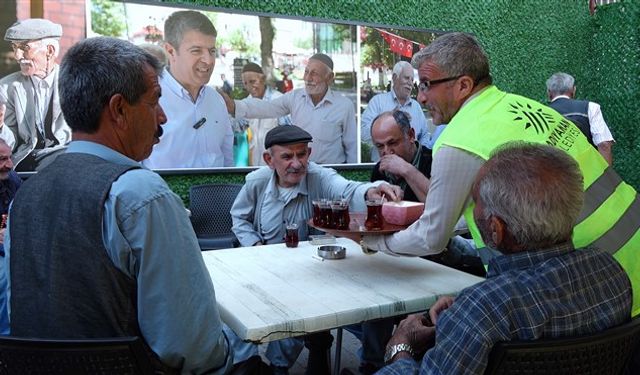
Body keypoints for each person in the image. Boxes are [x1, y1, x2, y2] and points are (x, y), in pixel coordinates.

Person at [361, 32, 640, 317]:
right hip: (621, 266)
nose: (420, 97)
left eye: (427, 85)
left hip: (600, 287)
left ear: (463, 85)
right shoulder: (523, 105)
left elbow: (432, 238)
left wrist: (372, 242)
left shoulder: (459, 138)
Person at [0, 37, 234, 373]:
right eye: (155, 102)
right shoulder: (140, 195)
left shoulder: (26, 198)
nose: (164, 117)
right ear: (119, 110)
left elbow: (15, 314)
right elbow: (193, 349)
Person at [377, 142, 632, 374]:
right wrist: (458, 321)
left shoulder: (483, 309)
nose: (471, 210)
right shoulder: (610, 271)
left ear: (496, 229)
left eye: (475, 201)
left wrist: (401, 346)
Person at [230, 125, 402, 374]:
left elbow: (347, 188)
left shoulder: (319, 177)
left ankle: (369, 365)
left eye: (302, 155)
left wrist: (371, 190)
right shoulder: (256, 183)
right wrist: (255, 247)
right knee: (238, 308)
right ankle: (248, 364)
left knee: (380, 294)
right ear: (269, 159)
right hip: (268, 270)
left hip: (315, 274)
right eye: (287, 157)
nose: (297, 163)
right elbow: (239, 218)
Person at [224, 54, 357, 164]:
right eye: (306, 72)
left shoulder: (344, 106)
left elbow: (352, 148)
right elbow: (267, 107)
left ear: (329, 78)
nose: (308, 78)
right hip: (300, 173)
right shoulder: (295, 97)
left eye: (314, 73)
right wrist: (234, 106)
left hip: (331, 176)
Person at [143, 10, 234, 169]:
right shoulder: (145, 98)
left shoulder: (216, 100)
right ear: (171, 51)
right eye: (196, 50)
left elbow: (227, 160)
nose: (208, 60)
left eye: (212, 51)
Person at [0, 18, 71, 171]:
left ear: (50, 51)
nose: (17, 56)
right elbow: (9, 145)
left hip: (66, 158)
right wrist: (0, 127)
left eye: (25, 47)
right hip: (25, 162)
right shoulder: (7, 87)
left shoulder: (75, 81)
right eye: (14, 47)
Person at [361, 61, 429, 161]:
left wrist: (421, 157)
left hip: (413, 169)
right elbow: (363, 133)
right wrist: (387, 120)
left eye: (412, 79)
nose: (410, 83)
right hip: (383, 168)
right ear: (394, 78)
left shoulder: (416, 107)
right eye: (406, 78)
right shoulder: (378, 102)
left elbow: (425, 136)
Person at [546, 72, 615, 165]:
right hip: (588, 174)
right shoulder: (590, 107)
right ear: (573, 90)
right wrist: (606, 177)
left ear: (549, 92)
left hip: (556, 176)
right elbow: (604, 145)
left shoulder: (540, 114)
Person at [370, 109, 432, 202]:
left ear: (411, 135)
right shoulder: (379, 171)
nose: (386, 151)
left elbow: (440, 203)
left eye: (392, 143)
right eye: (380, 146)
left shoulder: (433, 161)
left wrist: (406, 170)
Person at [236, 62, 291, 166]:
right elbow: (238, 127)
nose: (249, 87)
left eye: (253, 81)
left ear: (263, 79)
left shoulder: (278, 100)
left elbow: (288, 134)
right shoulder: (246, 103)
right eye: (245, 83)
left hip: (277, 166)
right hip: (256, 165)